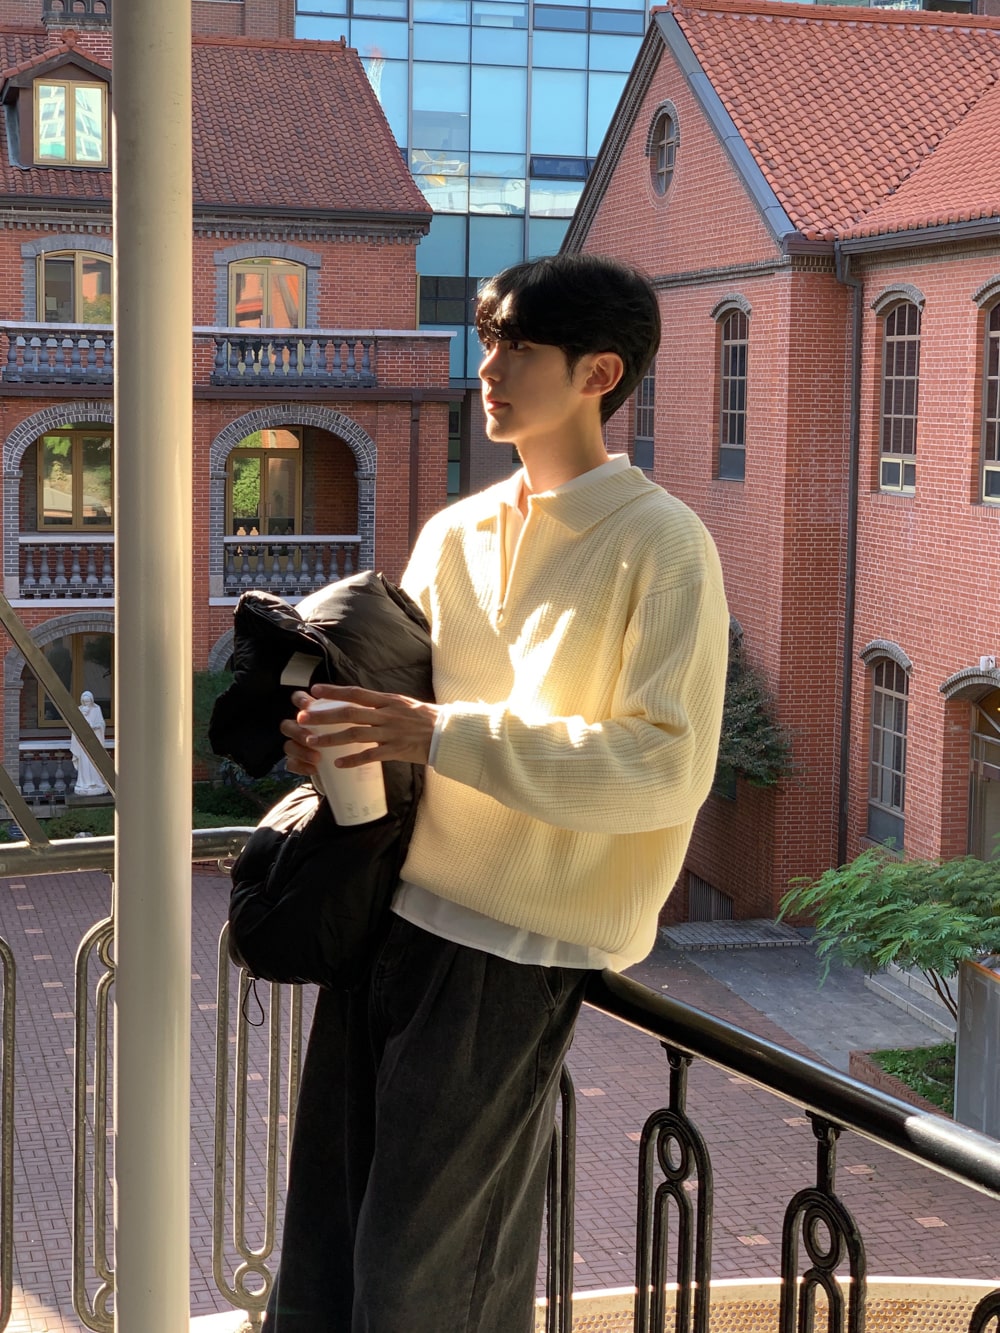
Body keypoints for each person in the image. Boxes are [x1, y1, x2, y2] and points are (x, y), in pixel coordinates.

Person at [268, 252, 729, 1332]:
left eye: (517, 345)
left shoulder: (664, 544)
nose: (487, 366)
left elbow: (664, 765)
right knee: (324, 1261)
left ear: (597, 373)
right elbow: (412, 724)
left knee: (425, 1286)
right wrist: (340, 743)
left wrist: (437, 731)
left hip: (514, 950)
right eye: (488, 339)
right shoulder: (456, 531)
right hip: (387, 921)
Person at [69, 689, 108, 796]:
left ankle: (97, 783)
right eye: (85, 701)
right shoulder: (79, 710)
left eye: (88, 701)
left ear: (92, 700)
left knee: (94, 762)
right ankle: (84, 783)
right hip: (83, 742)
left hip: (94, 740)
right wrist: (82, 715)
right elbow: (75, 725)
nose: (87, 703)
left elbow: (102, 723)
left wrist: (96, 726)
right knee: (85, 763)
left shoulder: (96, 709)